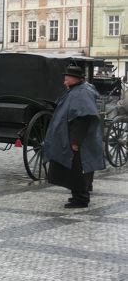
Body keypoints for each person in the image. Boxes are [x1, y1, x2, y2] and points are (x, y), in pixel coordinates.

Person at [44, 65, 105, 208]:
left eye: (67, 78)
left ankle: (81, 198)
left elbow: (82, 119)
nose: (64, 81)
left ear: (76, 78)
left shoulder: (81, 93)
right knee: (72, 170)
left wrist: (75, 141)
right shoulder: (76, 90)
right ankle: (77, 195)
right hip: (71, 138)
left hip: (78, 140)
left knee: (78, 170)